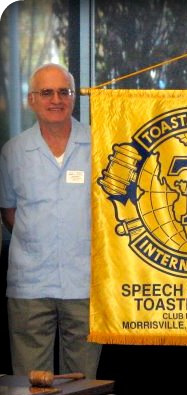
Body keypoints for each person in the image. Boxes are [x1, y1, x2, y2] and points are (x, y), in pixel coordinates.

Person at [0, 63, 101, 378]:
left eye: (64, 92)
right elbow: (9, 211)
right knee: (30, 390)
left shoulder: (100, 145)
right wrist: (38, 241)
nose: (56, 99)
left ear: (73, 98)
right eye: (46, 92)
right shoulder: (13, 152)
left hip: (85, 282)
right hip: (30, 285)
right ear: (32, 99)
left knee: (83, 386)